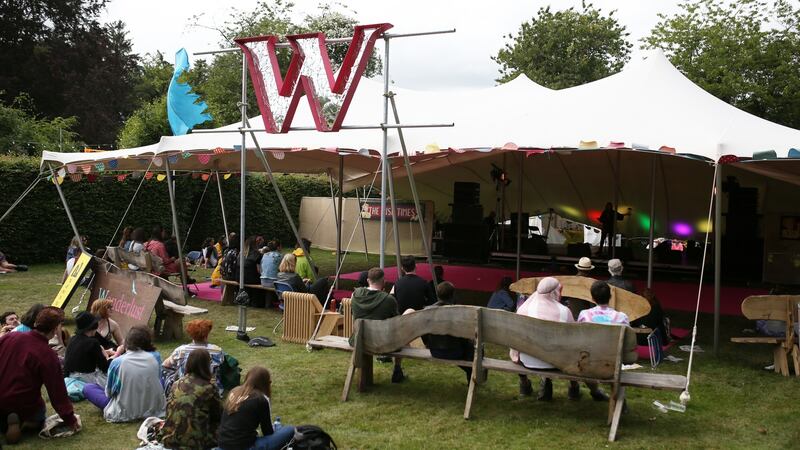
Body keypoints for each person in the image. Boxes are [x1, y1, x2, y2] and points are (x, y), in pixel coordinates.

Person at [0, 307, 78, 444]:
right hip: (24, 403)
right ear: (55, 329)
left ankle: (6, 421)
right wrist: (70, 419)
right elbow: (57, 392)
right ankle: (24, 424)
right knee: (40, 413)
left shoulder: (10, 337)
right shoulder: (48, 355)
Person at [83, 325, 166, 422]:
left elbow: (109, 392)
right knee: (160, 380)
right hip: (153, 408)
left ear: (127, 342)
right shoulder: (156, 357)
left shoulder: (117, 362)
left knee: (88, 388)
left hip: (123, 412)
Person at [217, 366, 295, 450]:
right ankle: (278, 426)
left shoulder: (234, 391)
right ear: (266, 383)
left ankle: (278, 426)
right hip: (245, 446)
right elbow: (267, 432)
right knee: (290, 430)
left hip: (223, 444)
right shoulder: (261, 399)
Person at [159, 349, 222, 450]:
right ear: (206, 365)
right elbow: (218, 415)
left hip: (170, 438)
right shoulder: (209, 388)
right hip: (198, 443)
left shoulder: (176, 384)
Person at [350, 268, 404, 383]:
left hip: (359, 340)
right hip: (382, 343)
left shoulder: (355, 295)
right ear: (384, 281)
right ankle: (397, 369)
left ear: (368, 280)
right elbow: (397, 324)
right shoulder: (389, 300)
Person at [421, 281, 474, 383]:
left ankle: (471, 372)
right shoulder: (458, 312)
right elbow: (464, 336)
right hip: (454, 352)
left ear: (438, 295)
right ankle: (472, 375)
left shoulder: (428, 310)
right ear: (453, 295)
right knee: (470, 346)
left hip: (434, 351)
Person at [163, 319, 225, 395]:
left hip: (185, 388)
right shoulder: (217, 351)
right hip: (210, 388)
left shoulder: (181, 350)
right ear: (207, 334)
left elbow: (165, 365)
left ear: (190, 334)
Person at [63, 312, 110, 385]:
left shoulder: (72, 339)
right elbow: (104, 367)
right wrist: (107, 356)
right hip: (86, 380)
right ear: (93, 326)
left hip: (70, 377)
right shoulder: (93, 343)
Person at [243, 236, 265, 308]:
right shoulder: (256, 254)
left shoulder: (242, 253)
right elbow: (259, 270)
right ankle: (257, 302)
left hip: (241, 277)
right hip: (250, 278)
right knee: (261, 281)